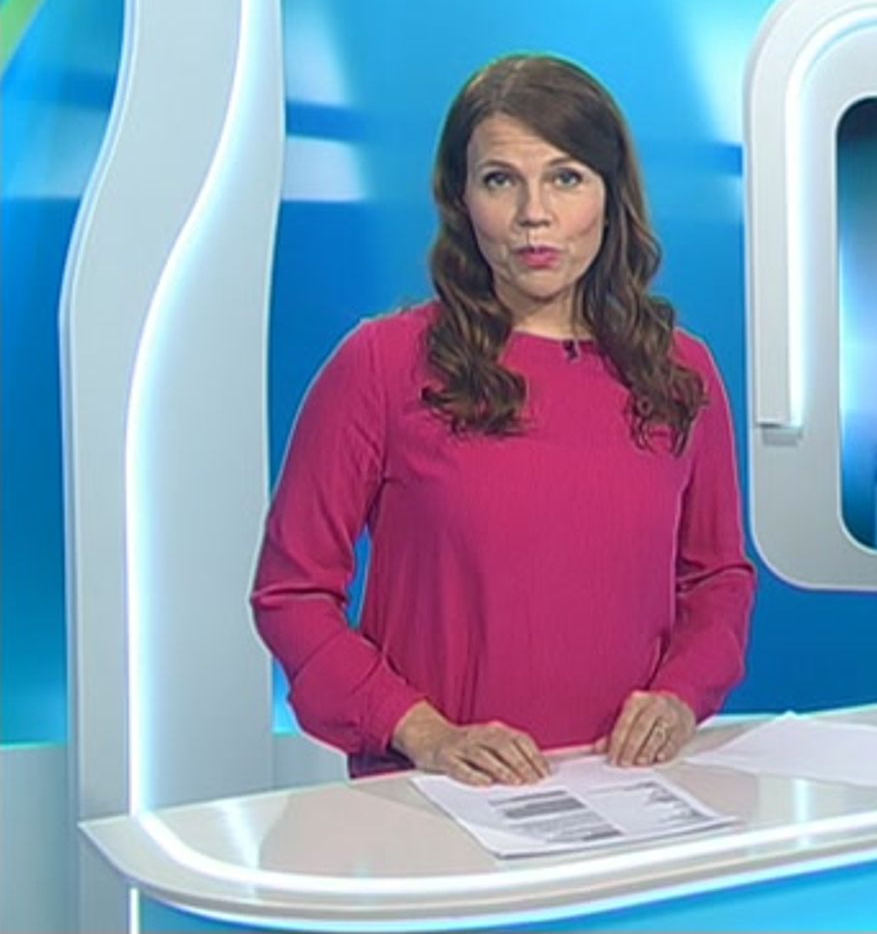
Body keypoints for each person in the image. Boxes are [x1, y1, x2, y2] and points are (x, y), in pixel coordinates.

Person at [252, 54, 756, 784]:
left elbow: (718, 580)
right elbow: (292, 593)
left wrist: (682, 697)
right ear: (460, 198)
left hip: (628, 793)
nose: (533, 215)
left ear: (611, 196)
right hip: (436, 797)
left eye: (565, 178)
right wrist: (422, 732)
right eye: (500, 180)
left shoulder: (680, 371)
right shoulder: (382, 365)